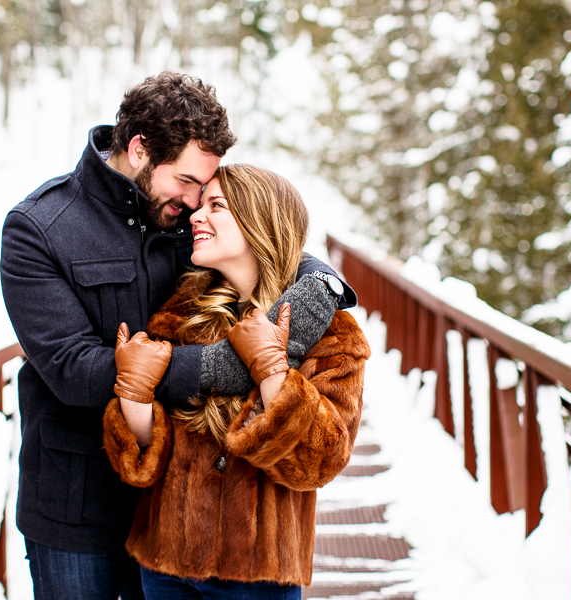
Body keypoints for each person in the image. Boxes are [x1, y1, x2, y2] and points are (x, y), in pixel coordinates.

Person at [0, 73, 356, 599]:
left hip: (182, 520)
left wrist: (321, 284)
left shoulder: (184, 216)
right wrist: (227, 367)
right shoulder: (40, 227)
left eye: (207, 189)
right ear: (140, 150)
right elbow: (73, 372)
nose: (194, 205)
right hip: (79, 501)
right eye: (188, 183)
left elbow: (266, 234)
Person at [102, 164, 371, 599]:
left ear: (258, 222)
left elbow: (320, 461)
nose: (195, 216)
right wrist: (134, 395)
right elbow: (150, 457)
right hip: (163, 563)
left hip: (255, 575)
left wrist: (271, 369)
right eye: (199, 204)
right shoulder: (182, 312)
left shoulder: (333, 334)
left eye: (216, 205)